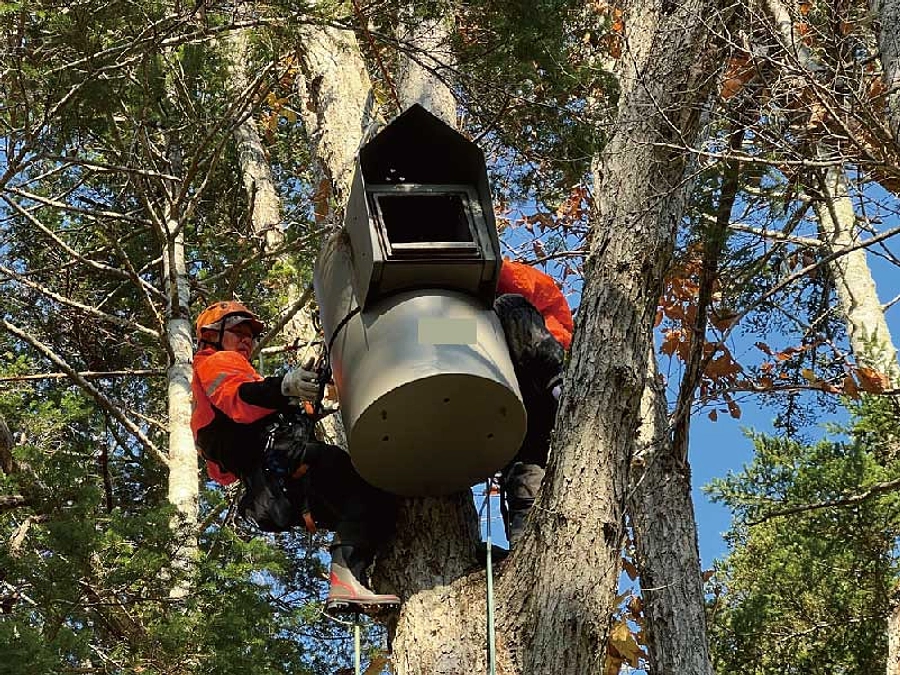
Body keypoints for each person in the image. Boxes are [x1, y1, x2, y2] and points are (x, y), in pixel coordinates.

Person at [190, 300, 399, 611]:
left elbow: (222, 473)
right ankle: (346, 581)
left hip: (276, 488)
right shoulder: (217, 362)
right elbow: (242, 398)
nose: (247, 338)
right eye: (238, 330)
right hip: (282, 465)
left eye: (251, 333)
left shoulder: (215, 383)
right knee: (364, 486)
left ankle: (353, 580)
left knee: (370, 511)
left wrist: (290, 403)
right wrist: (285, 388)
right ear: (212, 334)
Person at [494, 260, 574, 547]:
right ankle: (523, 545)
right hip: (500, 393)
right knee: (524, 468)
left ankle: (562, 391)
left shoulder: (511, 293)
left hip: (535, 378)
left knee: (508, 305)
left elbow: (515, 284)